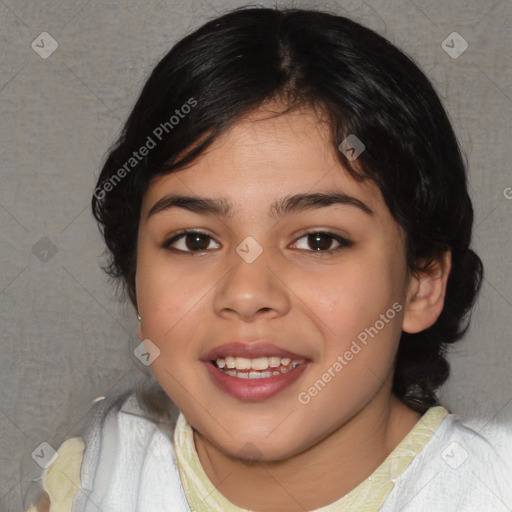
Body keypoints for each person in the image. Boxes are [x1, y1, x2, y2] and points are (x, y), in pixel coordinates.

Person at [25, 6, 512, 512]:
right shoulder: (90, 479)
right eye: (194, 241)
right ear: (136, 278)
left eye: (319, 241)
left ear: (422, 282)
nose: (247, 294)